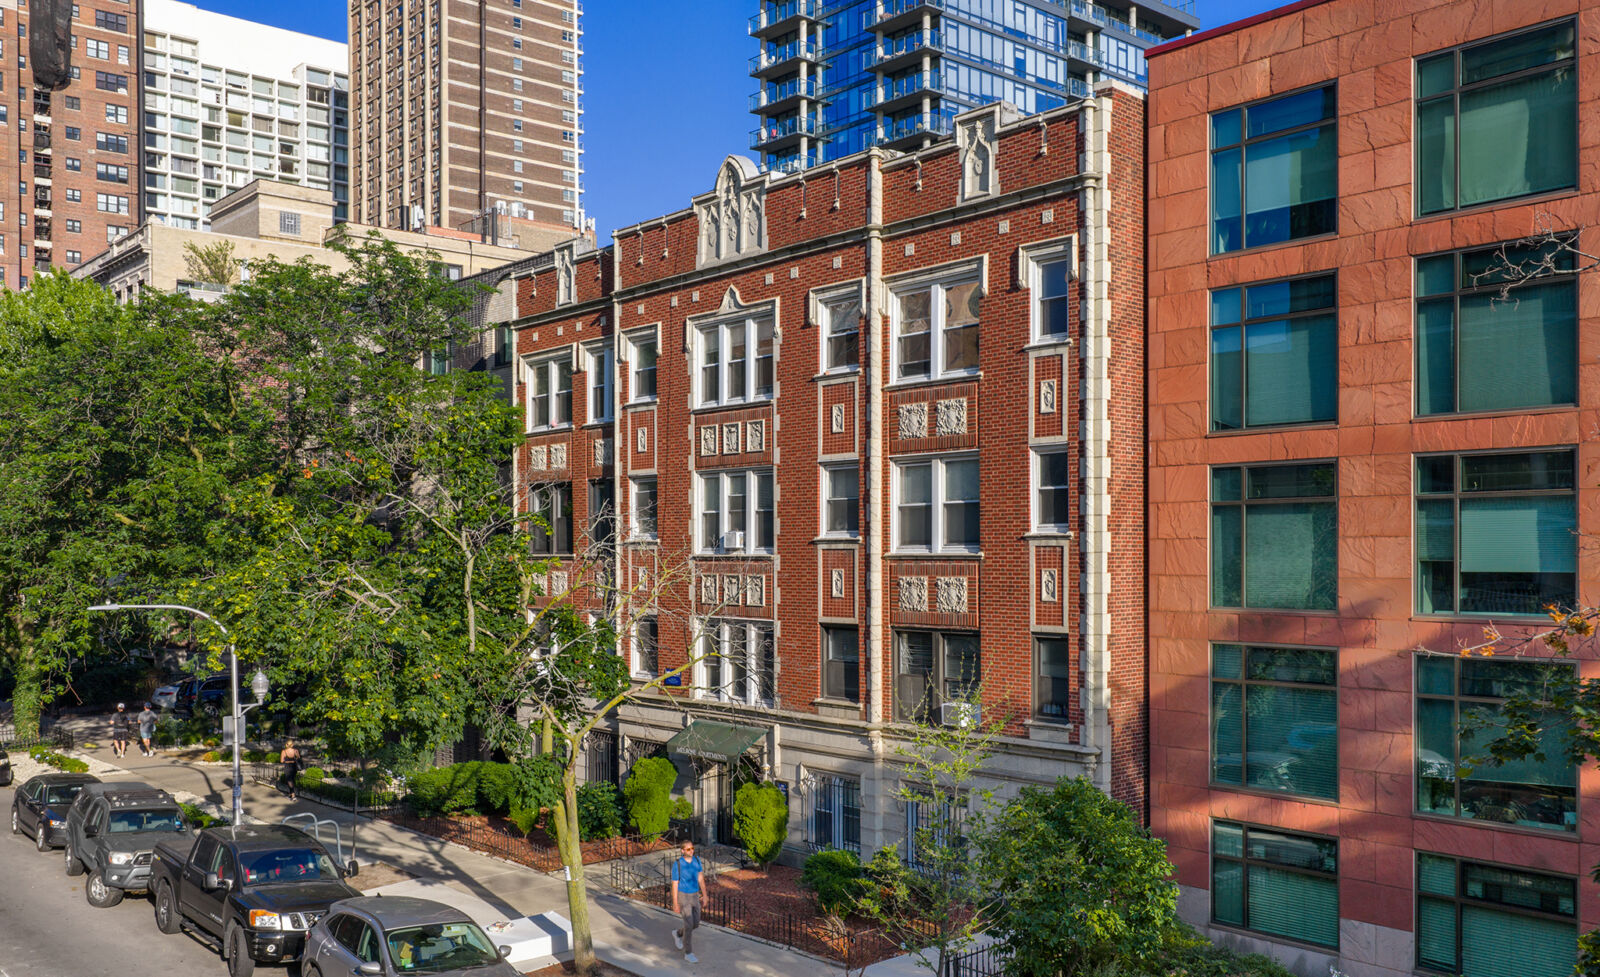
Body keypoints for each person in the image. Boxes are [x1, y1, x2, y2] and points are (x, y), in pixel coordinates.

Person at [670, 840, 704, 964]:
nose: (691, 851)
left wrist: (705, 895)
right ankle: (688, 953)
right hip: (683, 896)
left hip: (695, 895)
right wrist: (675, 903)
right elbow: (674, 884)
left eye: (692, 848)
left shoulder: (697, 861)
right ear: (683, 851)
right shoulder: (678, 864)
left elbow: (700, 878)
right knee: (689, 925)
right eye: (688, 849)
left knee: (696, 924)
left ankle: (678, 933)